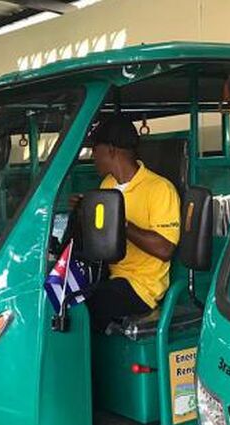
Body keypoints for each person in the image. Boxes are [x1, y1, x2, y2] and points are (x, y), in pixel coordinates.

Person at [80, 114, 181, 331]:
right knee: (65, 296)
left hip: (142, 287)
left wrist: (120, 224)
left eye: (95, 151)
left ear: (111, 150)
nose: (92, 157)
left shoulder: (160, 189)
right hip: (110, 274)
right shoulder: (106, 185)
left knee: (88, 307)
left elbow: (165, 248)